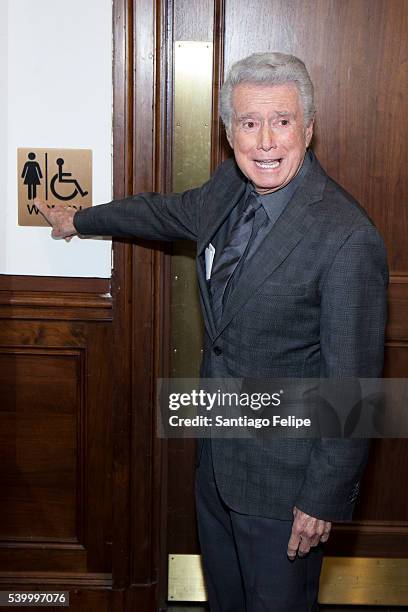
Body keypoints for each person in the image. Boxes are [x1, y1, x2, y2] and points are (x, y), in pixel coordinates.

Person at [36, 52, 388, 611]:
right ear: (229, 134)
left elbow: (355, 389)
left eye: (283, 121)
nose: (266, 141)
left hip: (285, 489)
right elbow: (163, 214)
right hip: (218, 468)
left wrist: (321, 499)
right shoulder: (229, 188)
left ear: (309, 129)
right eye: (249, 123)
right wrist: (79, 220)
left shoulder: (347, 237)